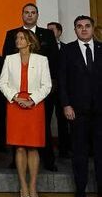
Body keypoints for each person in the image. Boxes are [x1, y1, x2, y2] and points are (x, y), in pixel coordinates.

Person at [2, 3, 59, 171]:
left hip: (41, 92)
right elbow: (6, 59)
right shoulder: (12, 34)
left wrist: (50, 88)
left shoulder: (47, 34)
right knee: (17, 134)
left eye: (33, 12)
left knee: (43, 128)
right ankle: (16, 161)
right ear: (22, 15)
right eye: (26, 12)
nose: (29, 15)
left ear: (37, 15)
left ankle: (48, 161)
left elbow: (54, 60)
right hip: (17, 93)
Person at [0, 29, 52, 197]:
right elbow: (2, 83)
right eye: (17, 38)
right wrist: (15, 97)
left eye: (21, 38)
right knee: (20, 148)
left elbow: (47, 85)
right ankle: (23, 186)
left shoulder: (42, 60)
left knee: (33, 147)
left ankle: (33, 186)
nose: (18, 40)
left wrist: (32, 100)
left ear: (30, 41)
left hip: (34, 106)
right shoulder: (9, 59)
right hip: (15, 105)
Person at [59, 15, 102, 197]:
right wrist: (66, 105)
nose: (83, 29)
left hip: (101, 111)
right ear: (75, 30)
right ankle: (80, 190)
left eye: (87, 26)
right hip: (77, 111)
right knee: (79, 154)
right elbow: (62, 81)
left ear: (93, 28)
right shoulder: (67, 50)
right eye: (79, 26)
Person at [47, 21, 71, 157]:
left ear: (60, 32)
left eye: (52, 30)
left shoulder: (67, 48)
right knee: (47, 120)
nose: (49, 33)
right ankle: (47, 151)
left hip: (63, 89)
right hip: (48, 88)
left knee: (63, 120)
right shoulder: (43, 48)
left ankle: (64, 149)